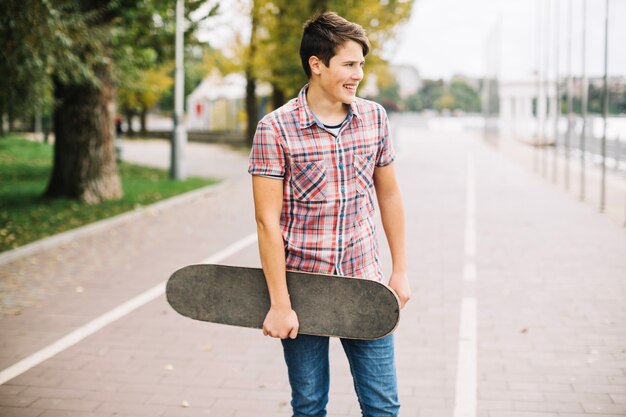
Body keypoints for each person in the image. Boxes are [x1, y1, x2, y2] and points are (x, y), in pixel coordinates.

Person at [248, 11, 410, 417]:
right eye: (349, 64)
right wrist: (280, 304)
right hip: (304, 288)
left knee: (383, 407)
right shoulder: (276, 129)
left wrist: (400, 270)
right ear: (316, 65)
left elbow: (389, 196)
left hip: (365, 285)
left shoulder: (374, 118)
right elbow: (267, 222)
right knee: (308, 407)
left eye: (361, 64)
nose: (358, 74)